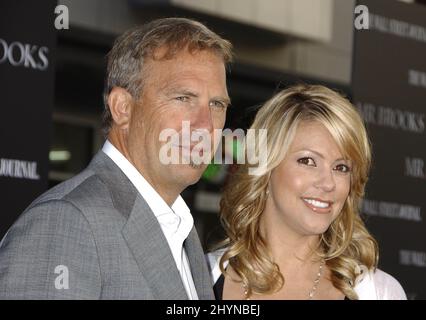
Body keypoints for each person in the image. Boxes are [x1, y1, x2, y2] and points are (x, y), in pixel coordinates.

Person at [0, 17, 233, 299]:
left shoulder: (181, 229)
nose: (206, 125)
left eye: (217, 104)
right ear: (122, 108)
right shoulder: (66, 222)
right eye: (183, 98)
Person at [207, 84, 407, 300]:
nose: (328, 183)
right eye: (308, 161)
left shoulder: (380, 293)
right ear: (266, 167)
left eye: (341, 167)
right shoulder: (198, 277)